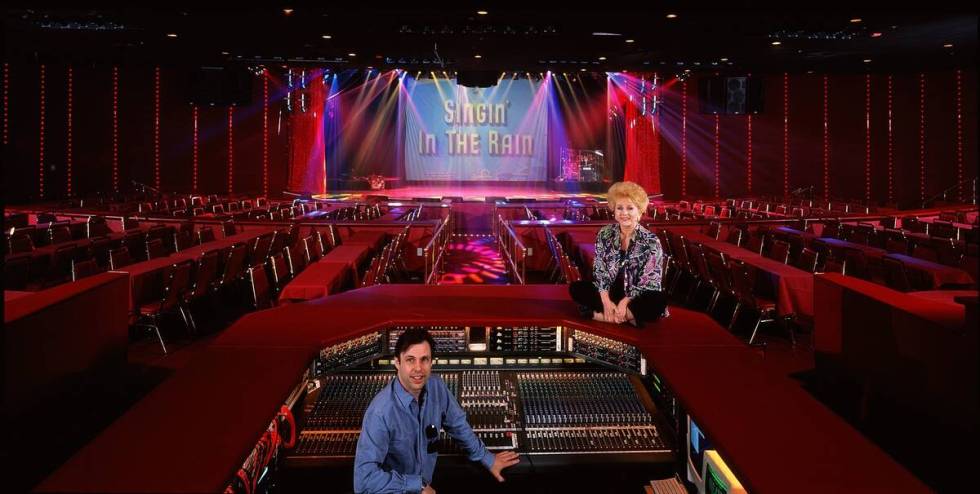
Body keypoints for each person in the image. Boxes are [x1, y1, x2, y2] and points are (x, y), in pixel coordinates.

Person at [354, 328, 520, 493]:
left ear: (431, 361)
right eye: (410, 360)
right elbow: (365, 480)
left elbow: (457, 425)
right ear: (397, 363)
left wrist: (487, 459)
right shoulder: (380, 412)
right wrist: (416, 486)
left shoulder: (436, 385)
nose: (418, 368)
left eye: (424, 359)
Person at [569, 181, 669, 327]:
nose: (624, 213)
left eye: (630, 208)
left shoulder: (651, 241)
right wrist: (605, 300)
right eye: (619, 208)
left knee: (658, 300)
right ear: (614, 211)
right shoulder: (605, 233)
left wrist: (625, 301)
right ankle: (627, 318)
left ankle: (603, 316)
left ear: (640, 211)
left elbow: (649, 281)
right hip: (610, 292)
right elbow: (600, 270)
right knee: (576, 288)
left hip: (635, 295)